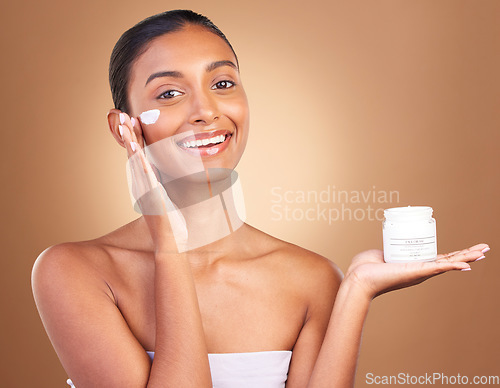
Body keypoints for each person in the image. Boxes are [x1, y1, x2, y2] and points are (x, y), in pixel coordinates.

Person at [31, 10, 489, 388]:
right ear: (124, 128)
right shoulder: (74, 272)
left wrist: (356, 291)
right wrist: (168, 244)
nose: (206, 110)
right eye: (169, 93)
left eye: (223, 83)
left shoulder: (310, 279)